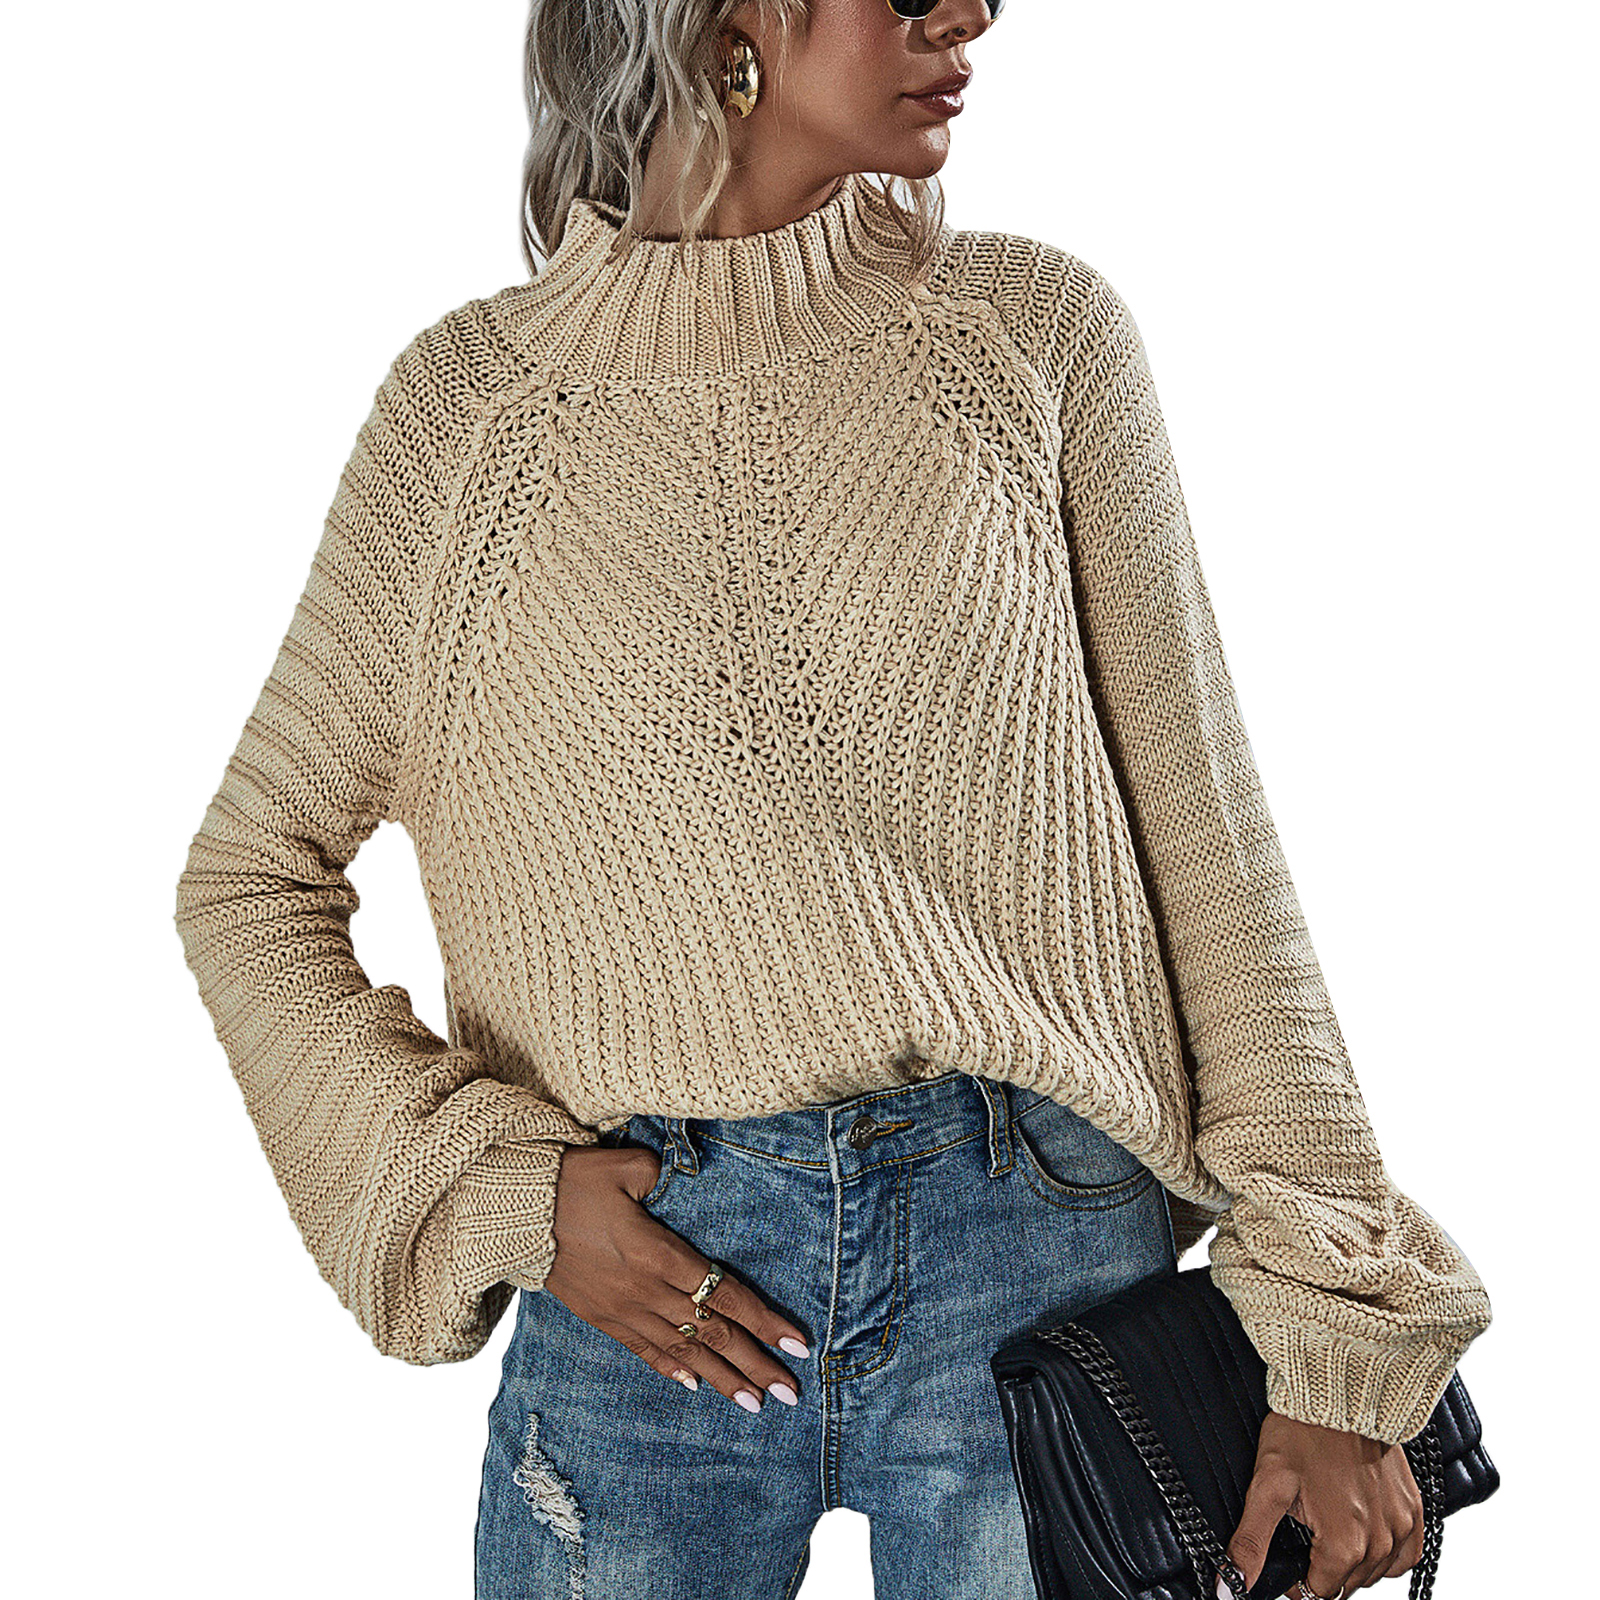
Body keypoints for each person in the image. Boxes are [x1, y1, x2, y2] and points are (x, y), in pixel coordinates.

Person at [172, 3, 1493, 1597]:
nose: (973, 12)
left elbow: (1213, 859)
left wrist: (1333, 1334)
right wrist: (507, 1197)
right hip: (649, 1281)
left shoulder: (1031, 334)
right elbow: (249, 880)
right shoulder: (466, 419)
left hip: (1044, 1256)